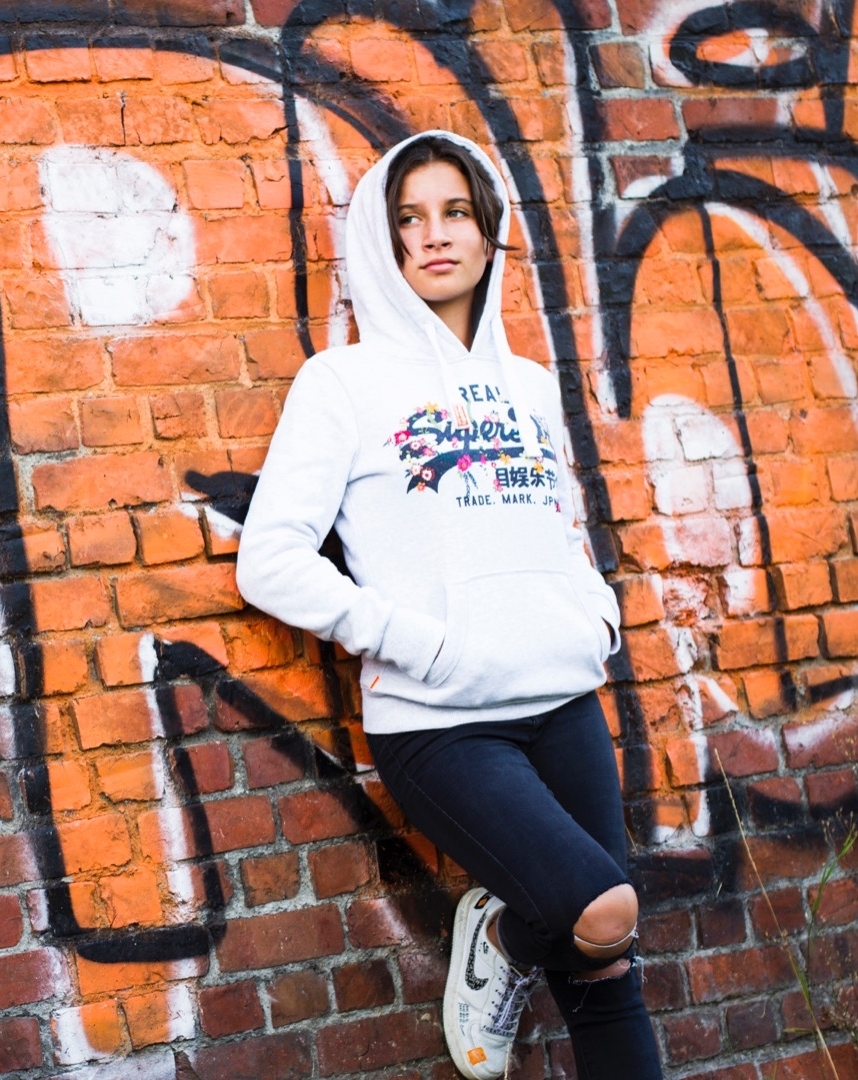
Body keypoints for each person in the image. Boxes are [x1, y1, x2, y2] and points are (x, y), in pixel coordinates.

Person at [236, 129, 663, 1080]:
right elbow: (269, 560)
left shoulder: (528, 385)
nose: (434, 235)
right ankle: (505, 937)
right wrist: (414, 642)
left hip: (562, 701)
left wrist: (590, 612)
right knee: (601, 909)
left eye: (455, 212)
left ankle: (516, 940)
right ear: (379, 242)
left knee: (606, 965)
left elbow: (555, 524)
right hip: (442, 723)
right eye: (409, 218)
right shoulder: (343, 383)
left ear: (486, 229)